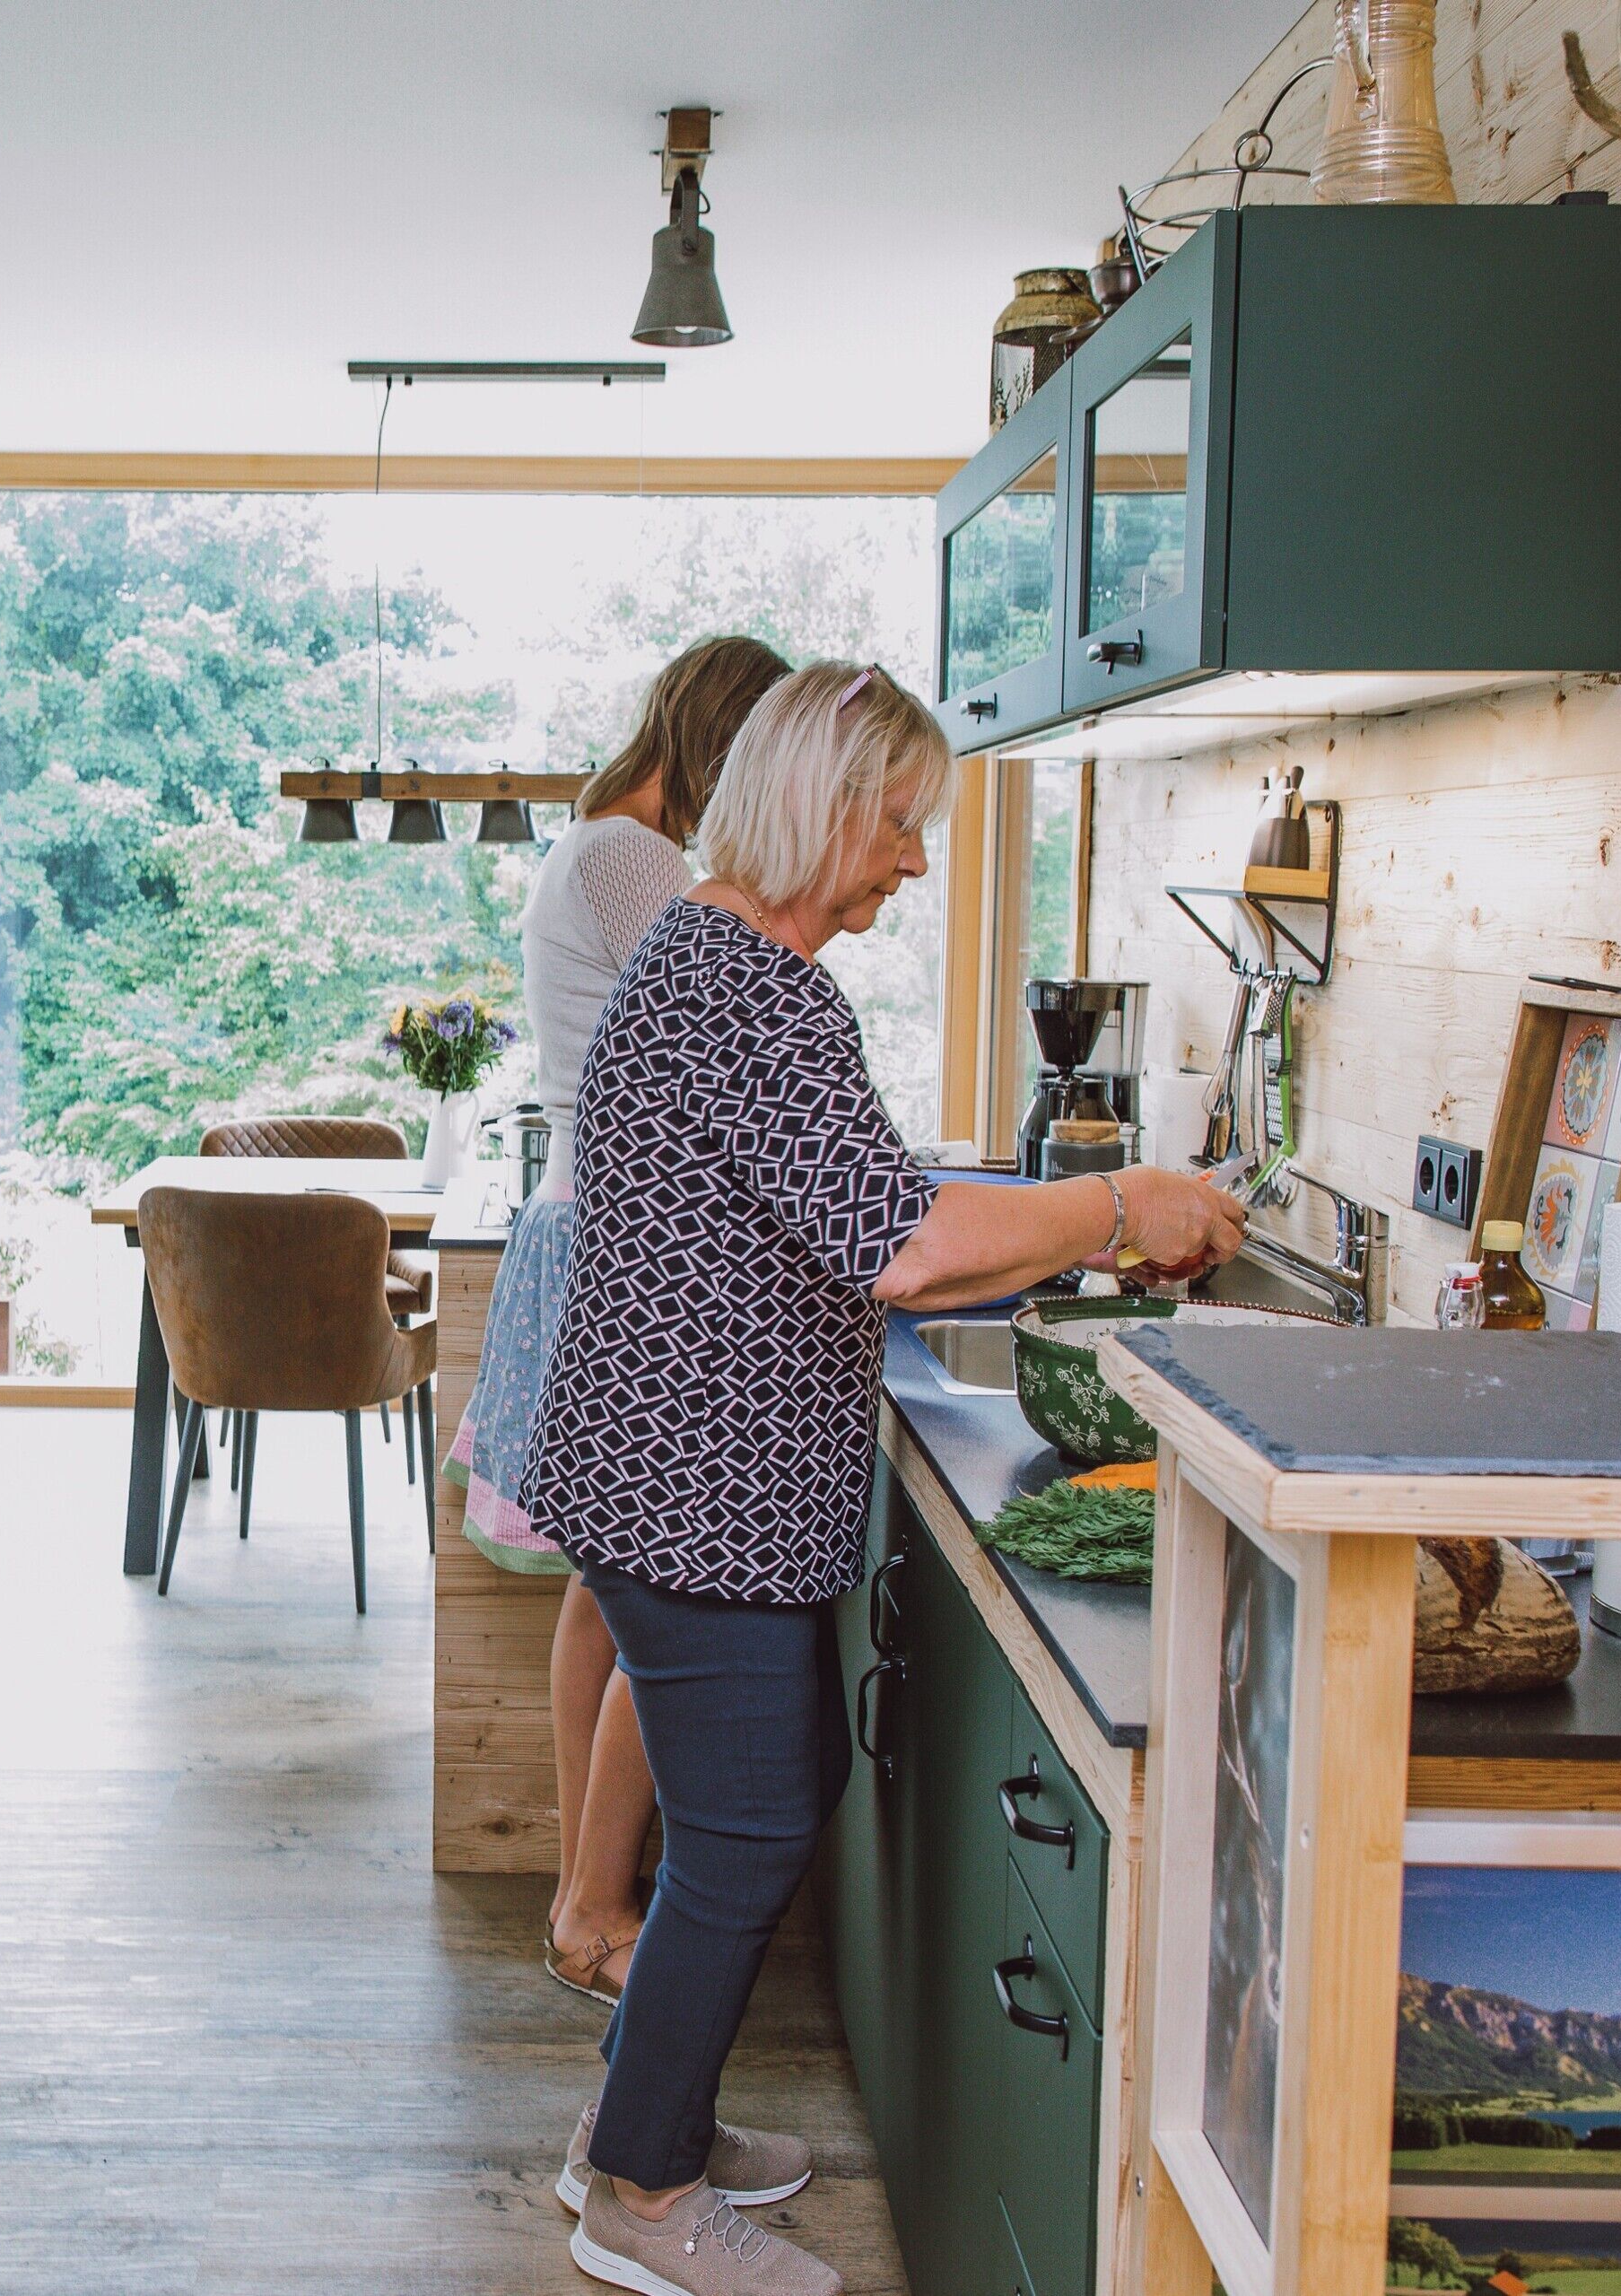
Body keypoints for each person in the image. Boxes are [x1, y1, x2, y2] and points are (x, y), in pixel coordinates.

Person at [534, 664, 1245, 2296]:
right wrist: (1122, 1202)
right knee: (753, 1818)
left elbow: (859, 1198)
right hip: (694, 1486)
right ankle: (641, 2194)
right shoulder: (747, 986)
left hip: (673, 1475)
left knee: (752, 1806)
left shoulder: (719, 960)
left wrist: (1070, 1211)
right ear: (822, 803)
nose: (916, 862)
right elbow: (910, 1246)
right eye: (902, 823)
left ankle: (641, 2125)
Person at [445, 633, 791, 2007]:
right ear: (718, 737)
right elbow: (739, 1019)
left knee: (610, 1587)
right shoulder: (631, 856)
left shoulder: (594, 843)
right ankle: (595, 1905)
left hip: (593, 1225)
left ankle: (588, 1899)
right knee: (659, 1589)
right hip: (630, 1245)